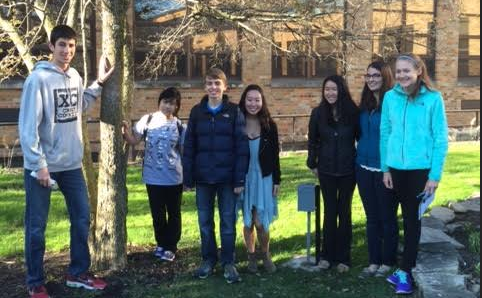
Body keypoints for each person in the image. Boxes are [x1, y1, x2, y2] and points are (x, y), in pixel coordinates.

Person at [18, 25, 114, 298]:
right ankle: (35, 282)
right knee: (36, 226)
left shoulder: (74, 75)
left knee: (82, 217)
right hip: (43, 168)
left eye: (72, 46)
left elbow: (78, 106)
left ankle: (77, 273)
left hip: (71, 165)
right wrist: (39, 165)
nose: (67, 51)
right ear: (51, 46)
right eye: (62, 45)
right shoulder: (37, 80)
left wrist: (99, 83)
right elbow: (27, 128)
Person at [380, 53, 448, 295]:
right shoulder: (389, 97)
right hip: (395, 171)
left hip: (420, 173)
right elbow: (385, 133)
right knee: (390, 220)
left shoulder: (433, 99)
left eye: (406, 71)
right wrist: (385, 168)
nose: (401, 76)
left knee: (412, 223)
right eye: (398, 72)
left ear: (419, 71)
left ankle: (406, 272)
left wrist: (434, 175)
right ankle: (399, 267)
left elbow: (440, 139)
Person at [182, 68, 249, 284]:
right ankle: (208, 261)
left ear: (225, 87)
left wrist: (239, 179)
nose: (213, 87)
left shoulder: (234, 112)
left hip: (228, 179)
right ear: (205, 87)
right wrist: (188, 177)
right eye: (209, 83)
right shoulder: (196, 112)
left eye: (217, 83)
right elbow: (189, 146)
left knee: (228, 222)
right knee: (205, 222)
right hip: (203, 179)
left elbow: (242, 148)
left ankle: (228, 262)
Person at [122, 87, 184, 262]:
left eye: (172, 104)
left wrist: (188, 177)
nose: (168, 106)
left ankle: (171, 246)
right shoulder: (147, 120)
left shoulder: (179, 126)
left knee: (173, 213)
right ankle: (161, 244)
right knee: (157, 213)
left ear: (177, 107)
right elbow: (134, 140)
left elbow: (183, 151)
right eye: (166, 102)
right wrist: (125, 131)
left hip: (173, 178)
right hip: (152, 177)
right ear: (159, 102)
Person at [307, 75, 359, 273]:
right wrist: (313, 164)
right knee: (329, 213)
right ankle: (326, 256)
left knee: (344, 213)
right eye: (327, 89)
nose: (330, 93)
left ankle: (344, 258)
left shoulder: (353, 113)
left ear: (341, 90)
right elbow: (312, 141)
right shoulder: (318, 113)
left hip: (348, 170)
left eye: (334, 89)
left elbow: (361, 137)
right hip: (327, 170)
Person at [356, 61, 398, 279]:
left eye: (376, 76)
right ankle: (373, 261)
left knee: (387, 217)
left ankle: (388, 261)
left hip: (385, 170)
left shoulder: (393, 103)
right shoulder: (363, 105)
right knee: (371, 217)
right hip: (363, 168)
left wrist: (388, 168)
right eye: (368, 75)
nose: (371, 79)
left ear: (385, 78)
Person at [238, 84, 281, 274]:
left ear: (262, 102)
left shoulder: (270, 125)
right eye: (249, 99)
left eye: (257, 100)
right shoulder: (237, 123)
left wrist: (277, 181)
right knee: (248, 222)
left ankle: (265, 253)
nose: (253, 103)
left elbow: (275, 155)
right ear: (244, 101)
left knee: (260, 221)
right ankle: (251, 256)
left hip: (263, 177)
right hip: (244, 177)